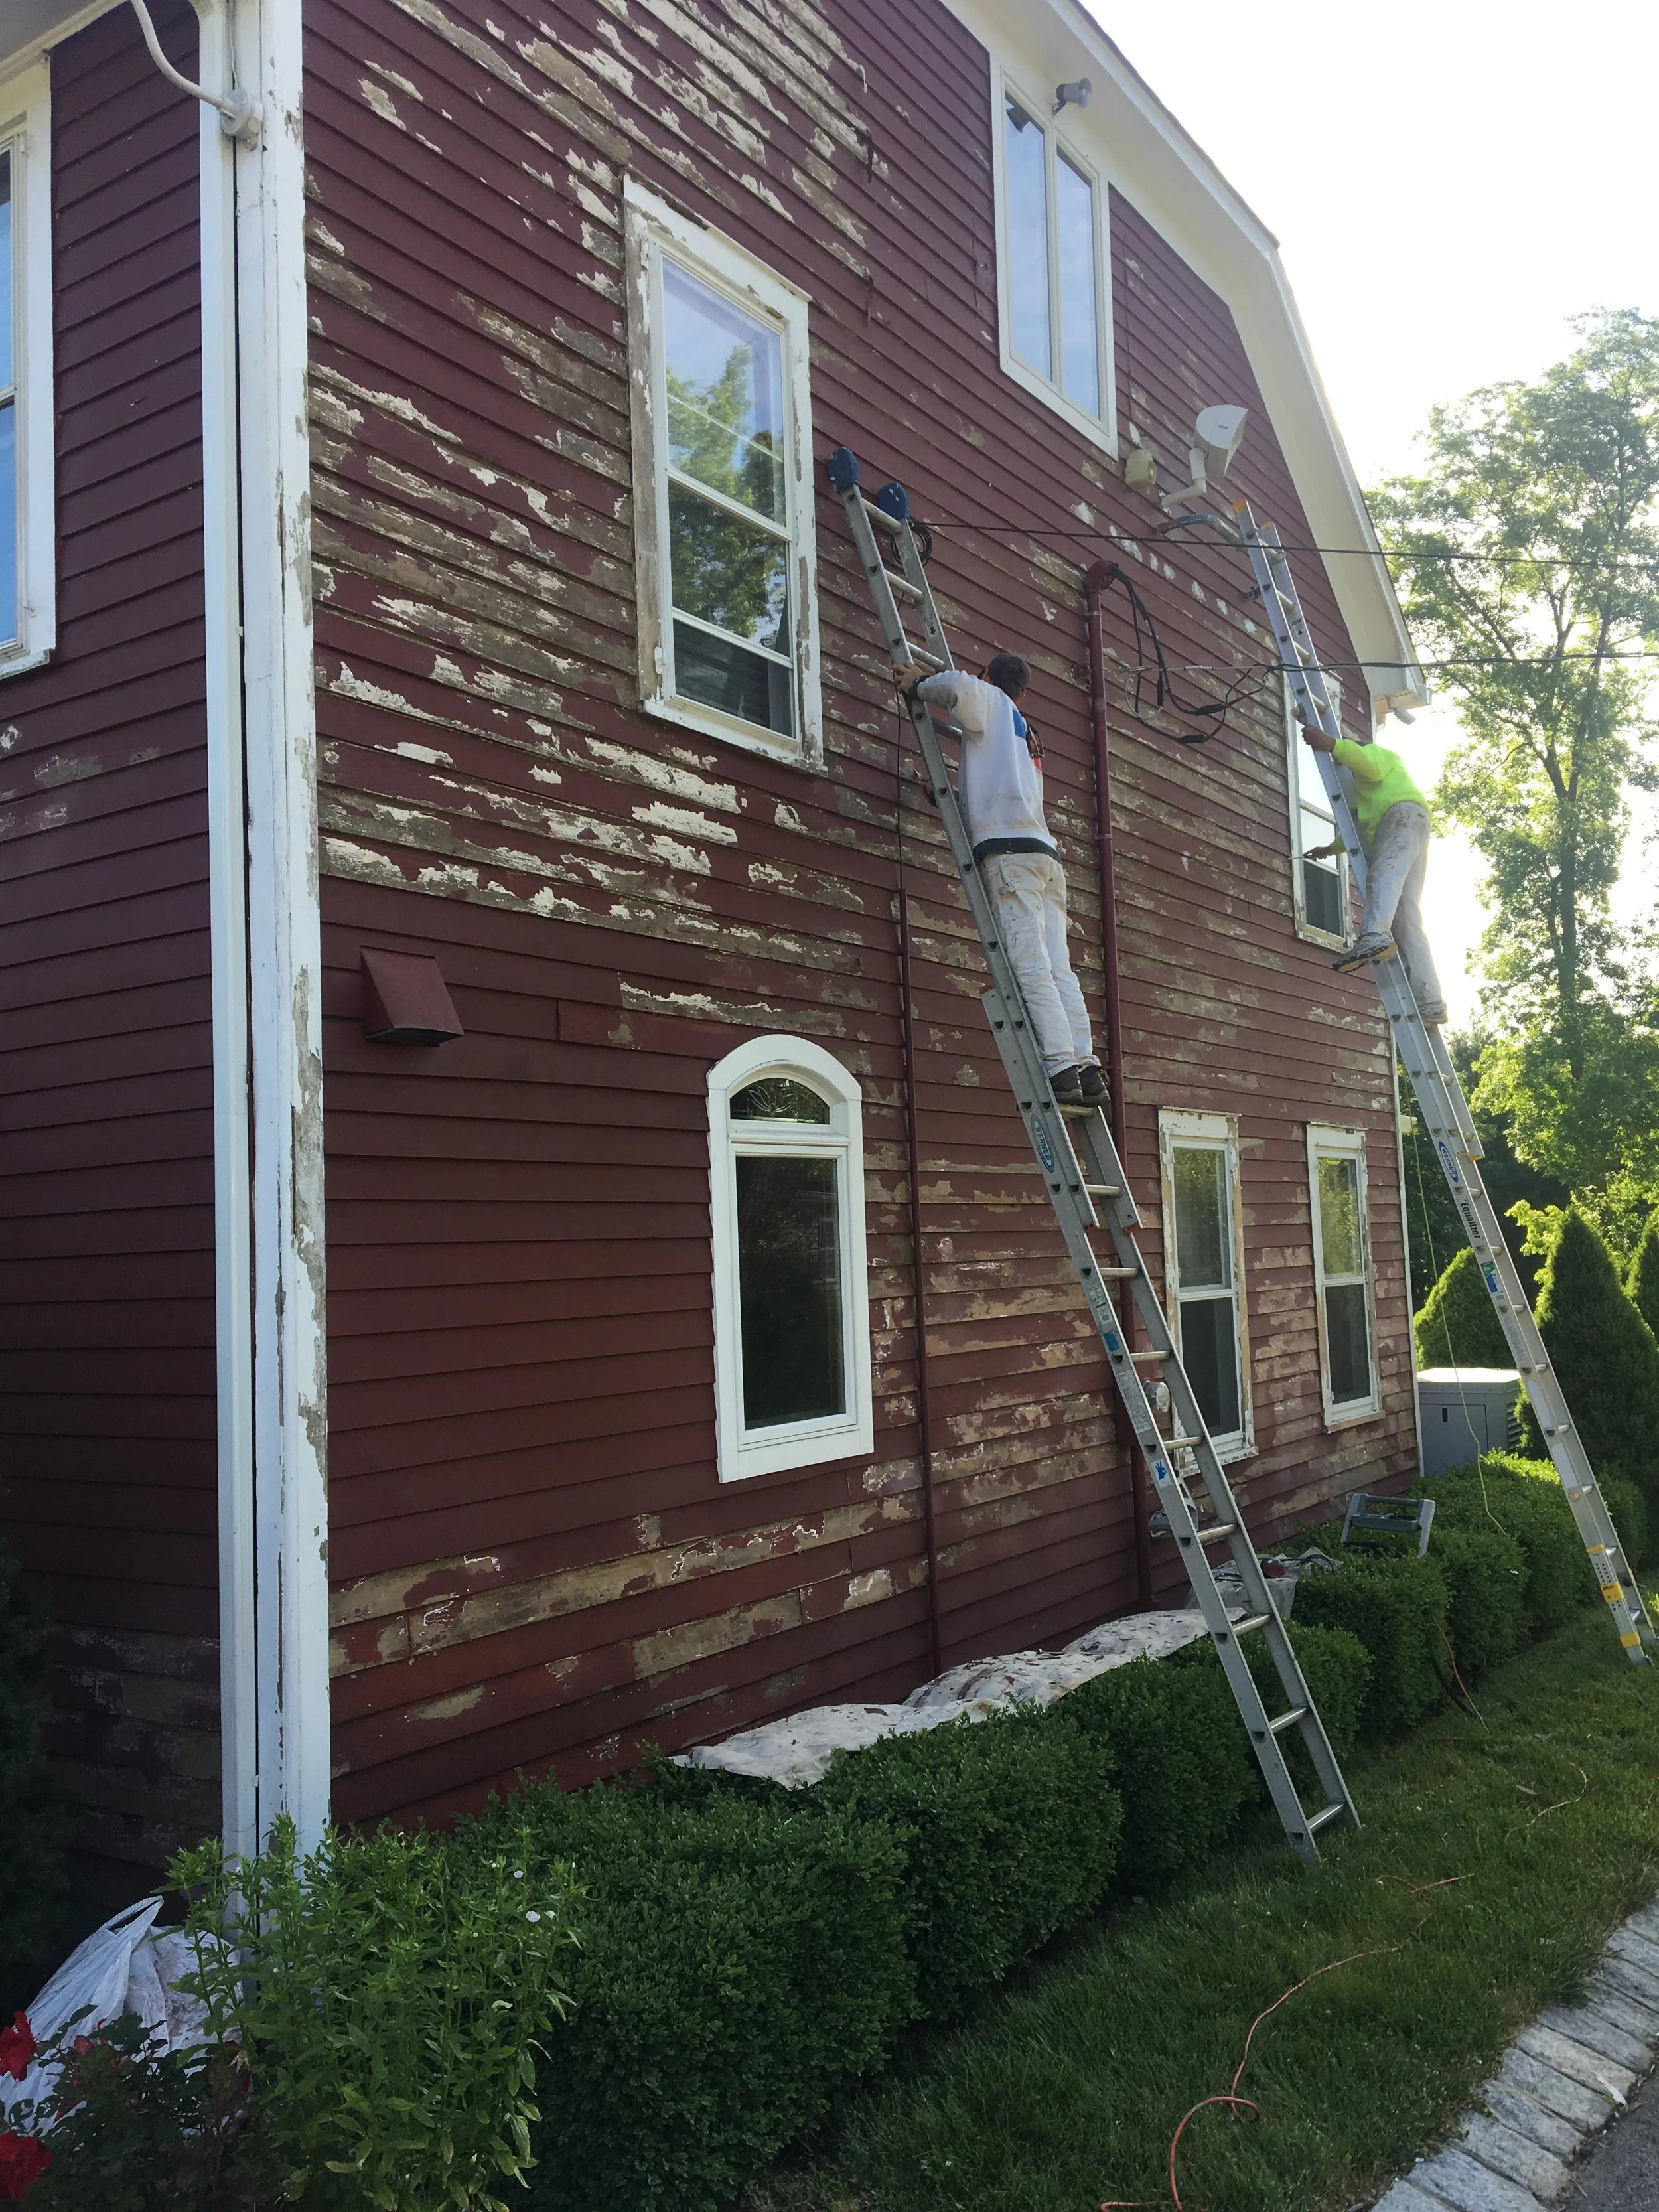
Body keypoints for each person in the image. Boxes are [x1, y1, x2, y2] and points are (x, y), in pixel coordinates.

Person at [896, 650, 1108, 1106]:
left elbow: (960, 687)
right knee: (1058, 967)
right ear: (1024, 692)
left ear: (990, 676)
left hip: (1011, 855)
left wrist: (918, 683)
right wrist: (949, 798)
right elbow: (999, 789)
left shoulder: (986, 696)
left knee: (1030, 964)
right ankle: (1088, 1067)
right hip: (1043, 856)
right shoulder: (1024, 733)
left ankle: (1060, 1067)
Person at [1301, 717, 1447, 1025]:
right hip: (1409, 823)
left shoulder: (1381, 758)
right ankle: (1431, 1000)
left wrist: (1333, 744)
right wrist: (1329, 849)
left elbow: (1369, 762)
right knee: (1407, 918)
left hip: (1401, 815)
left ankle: (1374, 935)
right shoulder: (1369, 800)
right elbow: (1356, 830)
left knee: (1383, 873)